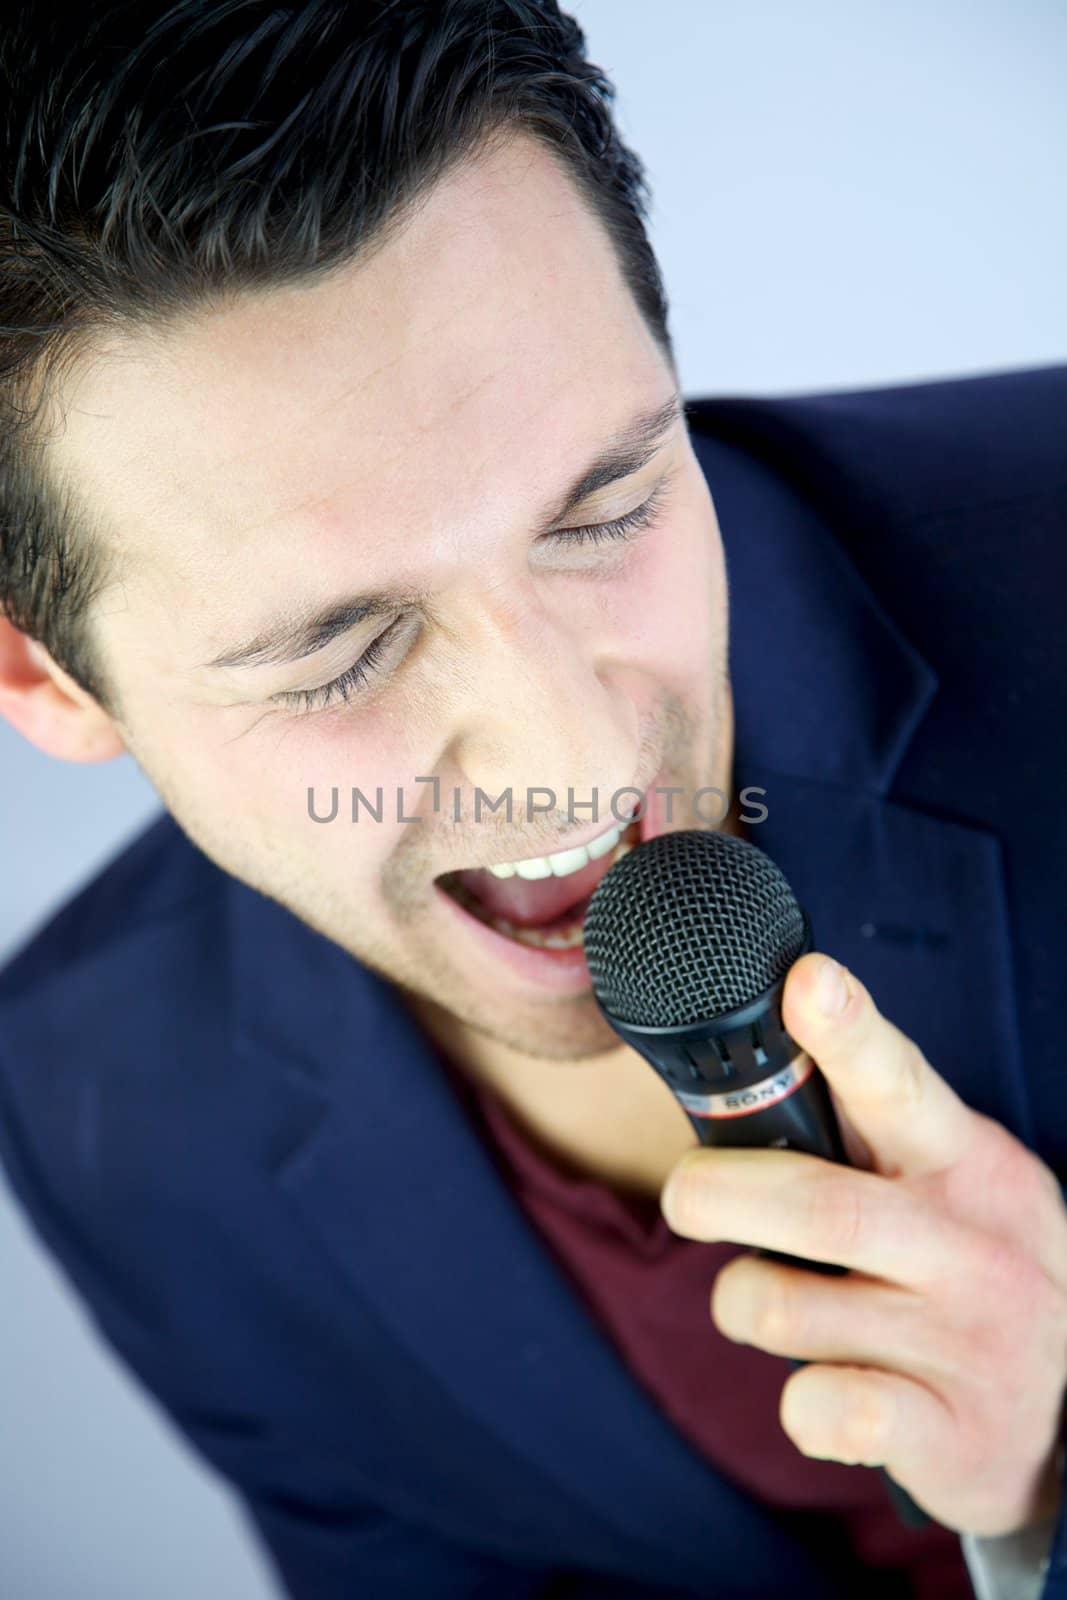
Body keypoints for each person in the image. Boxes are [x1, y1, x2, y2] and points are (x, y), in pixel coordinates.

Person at [0, 4, 1064, 1597]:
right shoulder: (115, 1115)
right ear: (49, 685)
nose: (564, 739)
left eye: (609, 504)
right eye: (341, 650)